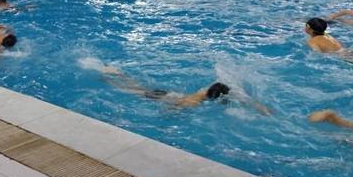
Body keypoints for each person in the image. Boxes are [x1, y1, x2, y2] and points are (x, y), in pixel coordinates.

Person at [97, 66, 270, 114]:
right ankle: (110, 78)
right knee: (132, 90)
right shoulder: (194, 102)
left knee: (138, 87)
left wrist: (260, 108)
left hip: (169, 94)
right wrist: (168, 113)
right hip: (164, 97)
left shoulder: (205, 90)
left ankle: (116, 73)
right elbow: (176, 106)